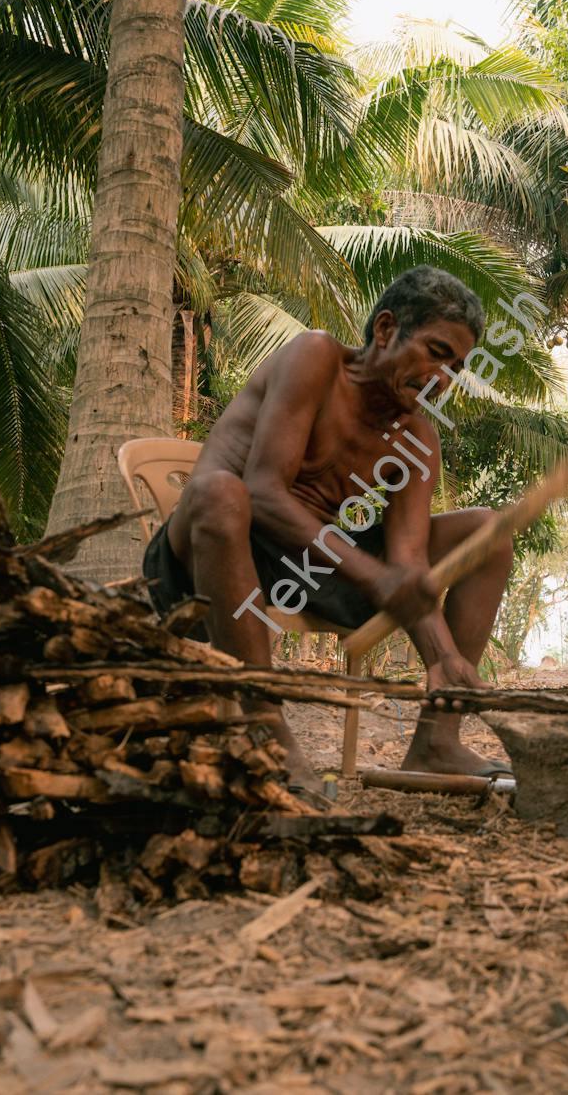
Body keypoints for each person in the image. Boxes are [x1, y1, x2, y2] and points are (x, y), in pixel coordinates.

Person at [144, 267, 514, 786]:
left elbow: (407, 565)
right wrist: (375, 576)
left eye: (455, 367)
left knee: (487, 532)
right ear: (385, 329)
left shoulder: (416, 438)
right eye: (436, 353)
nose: (442, 378)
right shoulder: (316, 357)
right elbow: (263, 492)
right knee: (220, 492)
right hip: (212, 553)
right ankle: (265, 730)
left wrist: (443, 656)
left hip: (311, 571)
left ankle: (437, 741)